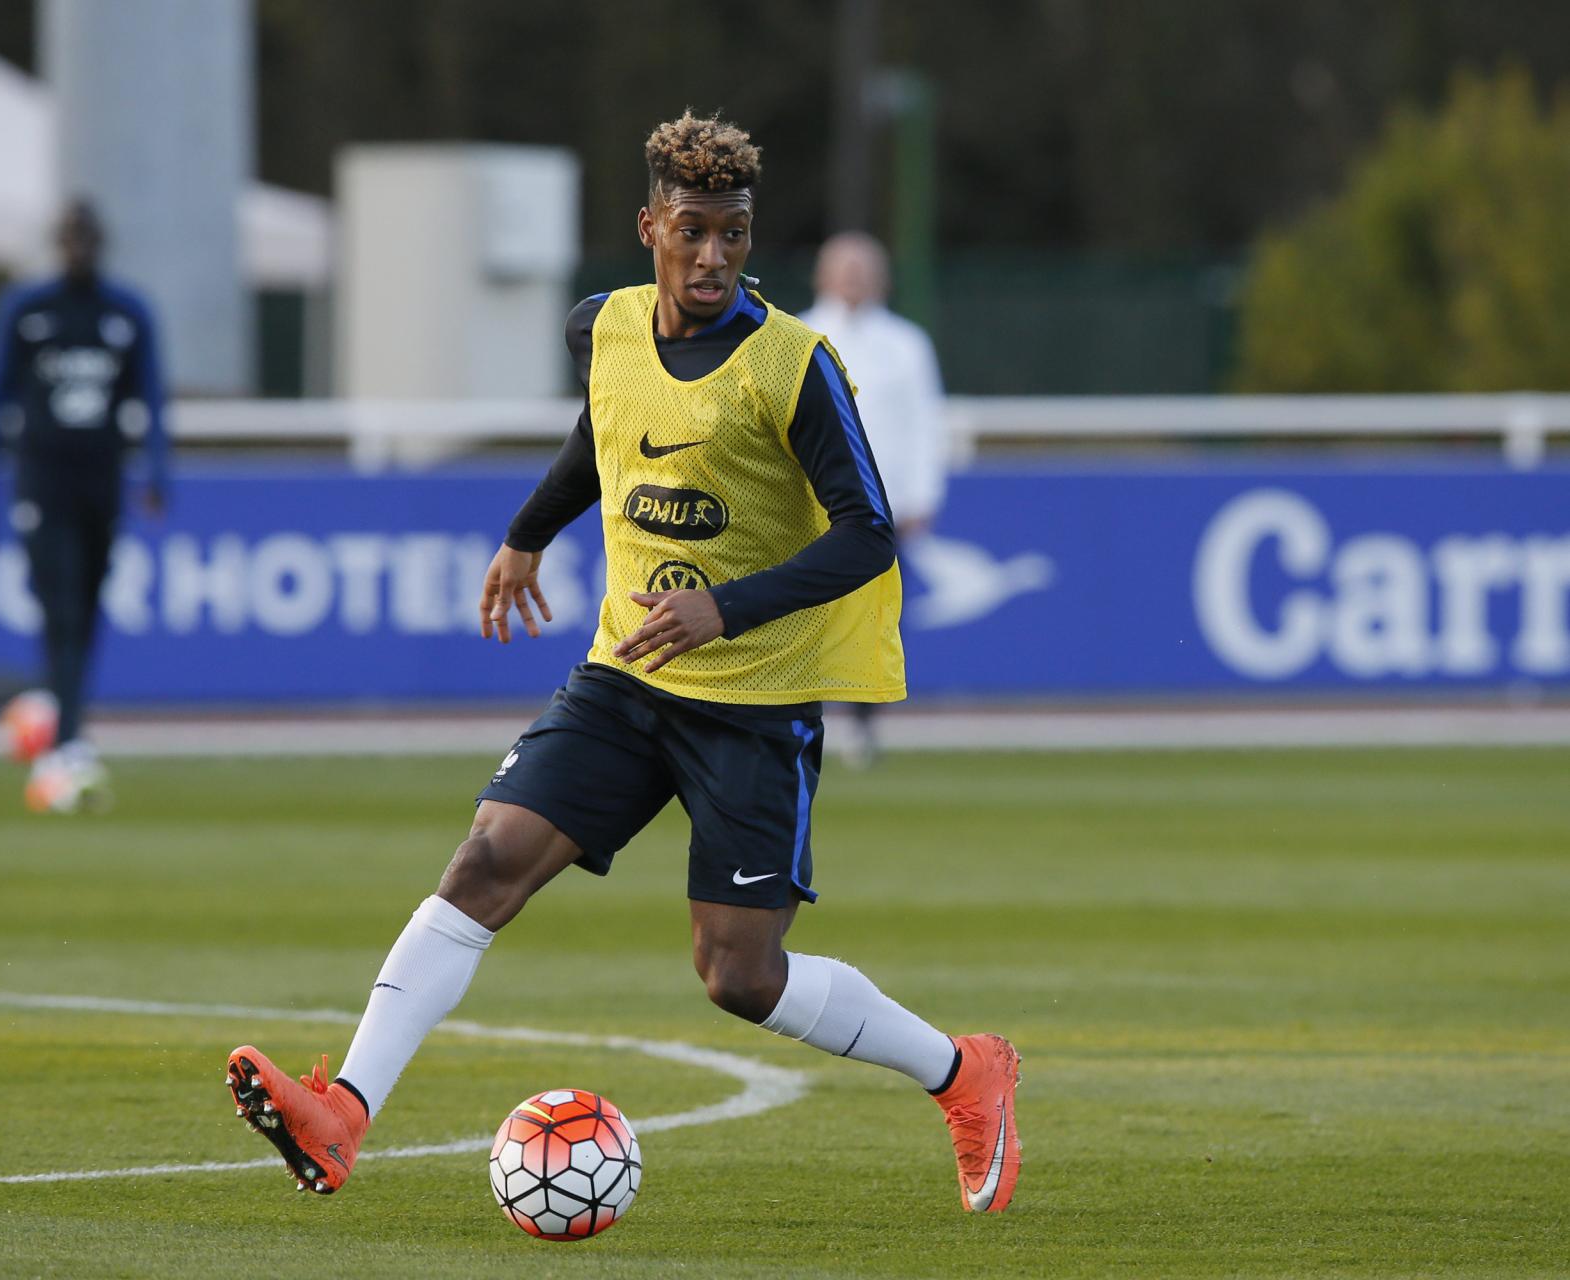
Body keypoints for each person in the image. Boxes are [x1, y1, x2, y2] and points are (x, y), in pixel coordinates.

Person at [225, 112, 1020, 1215]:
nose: (712, 258)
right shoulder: (599, 328)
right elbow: (602, 435)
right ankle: (343, 1110)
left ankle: (963, 1069)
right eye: (691, 231)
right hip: (623, 674)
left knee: (738, 976)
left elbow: (868, 531)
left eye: (733, 235)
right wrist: (526, 531)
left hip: (754, 699)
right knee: (484, 863)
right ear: (647, 225)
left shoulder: (792, 365)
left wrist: (721, 609)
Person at [0, 198, 169, 809]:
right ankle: (67, 744)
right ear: (59, 244)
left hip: (100, 483)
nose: (79, 250)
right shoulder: (26, 310)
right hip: (42, 483)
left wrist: (158, 471)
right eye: (70, 239)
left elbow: (153, 399)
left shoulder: (126, 311)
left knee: (85, 612)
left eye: (88, 239)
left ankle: (63, 724)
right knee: (58, 607)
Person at [801, 232, 948, 767]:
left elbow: (926, 424)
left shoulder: (906, 344)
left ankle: (863, 724)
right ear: (823, 275)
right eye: (844, 269)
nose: (853, 280)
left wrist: (922, 494)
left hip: (879, 507)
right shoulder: (797, 333)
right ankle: (800, 716)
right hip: (809, 504)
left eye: (862, 270)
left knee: (876, 616)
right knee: (802, 610)